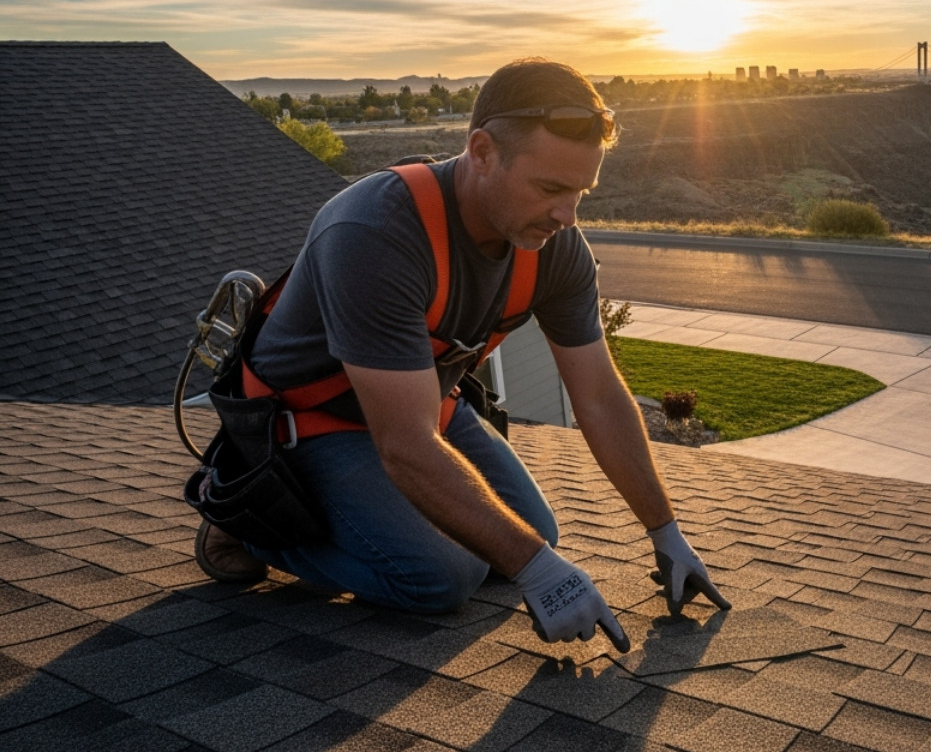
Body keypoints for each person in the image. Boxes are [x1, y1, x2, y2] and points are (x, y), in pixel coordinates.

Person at [194, 59, 728, 650]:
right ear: (481, 152)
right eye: (550, 188)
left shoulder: (553, 246)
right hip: (310, 424)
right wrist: (541, 573)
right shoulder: (376, 232)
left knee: (533, 535)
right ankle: (245, 527)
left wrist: (666, 531)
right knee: (442, 577)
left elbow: (599, 395)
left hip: (421, 407)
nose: (566, 215)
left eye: (579, 192)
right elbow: (405, 447)